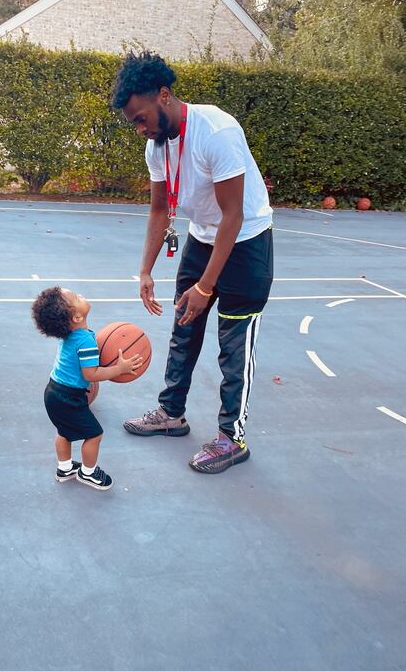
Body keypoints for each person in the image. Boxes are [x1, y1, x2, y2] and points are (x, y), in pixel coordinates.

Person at [111, 51, 273, 474]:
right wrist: (146, 269)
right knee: (184, 328)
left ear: (164, 96)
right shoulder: (157, 147)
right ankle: (171, 414)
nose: (140, 129)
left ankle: (231, 438)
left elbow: (233, 217)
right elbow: (159, 210)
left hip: (246, 243)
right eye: (133, 123)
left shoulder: (217, 131)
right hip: (202, 240)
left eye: (141, 118)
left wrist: (205, 287)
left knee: (233, 345)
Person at [31, 286, 142, 490]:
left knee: (64, 431)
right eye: (76, 297)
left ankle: (64, 468)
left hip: (53, 392)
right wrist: (120, 368)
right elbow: (91, 375)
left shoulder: (69, 335)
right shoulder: (85, 340)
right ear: (76, 317)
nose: (80, 294)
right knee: (94, 434)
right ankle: (88, 473)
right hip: (68, 397)